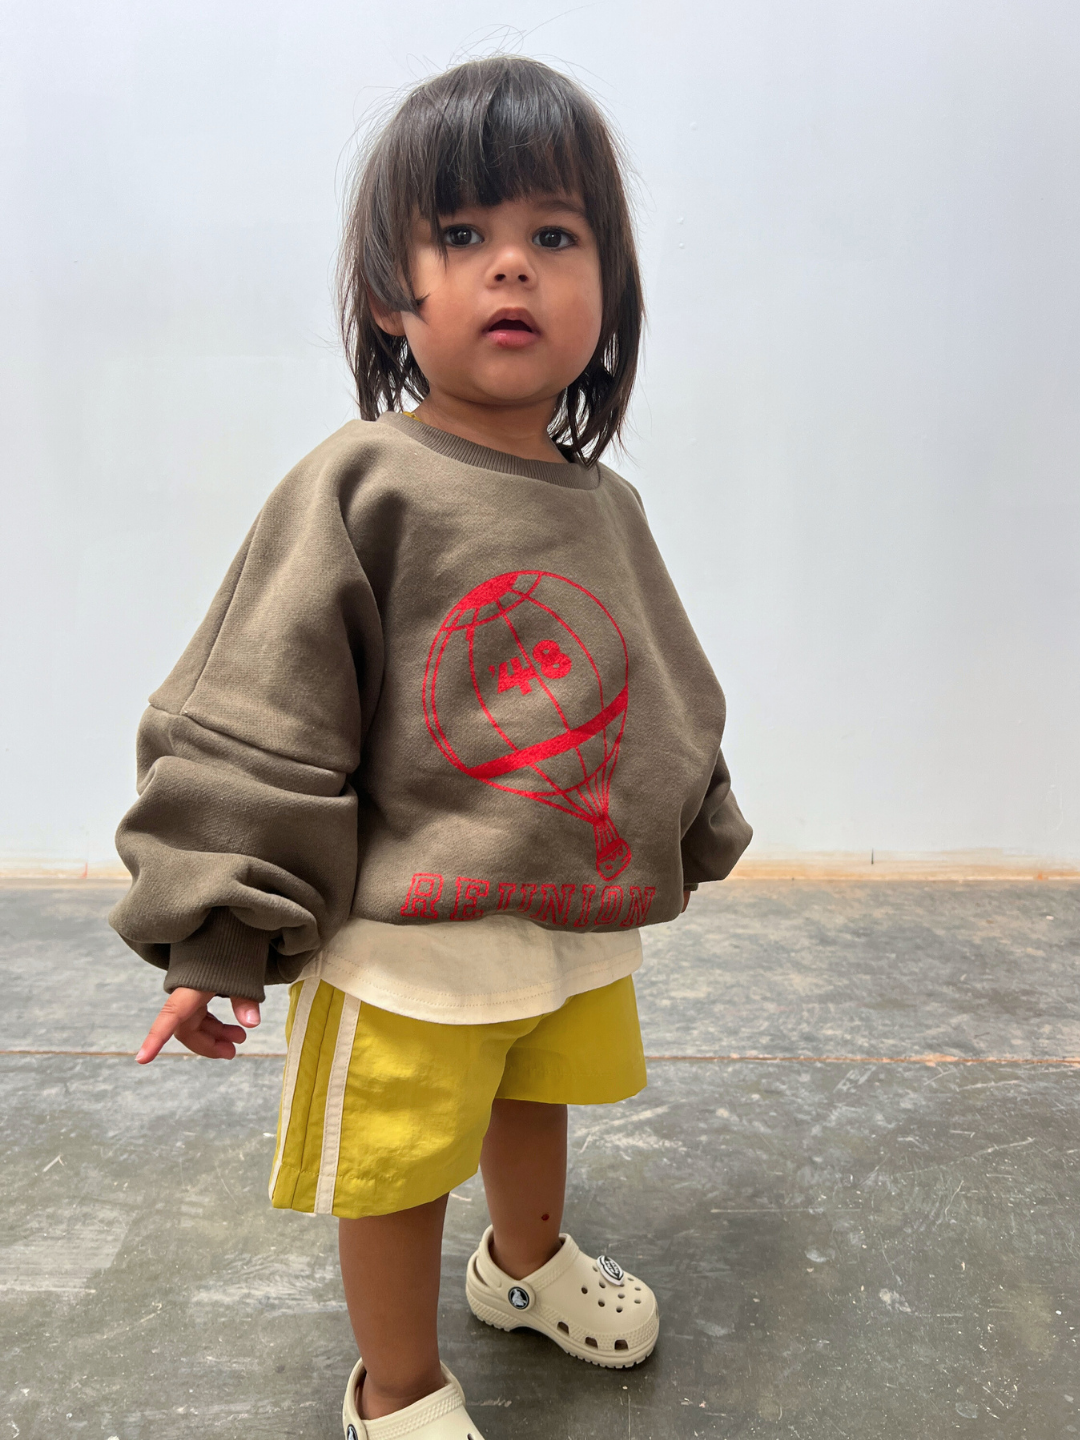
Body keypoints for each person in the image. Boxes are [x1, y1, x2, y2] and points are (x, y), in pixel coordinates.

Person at [110, 54, 751, 1440]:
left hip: (566, 907)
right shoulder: (361, 485)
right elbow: (261, 712)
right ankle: (395, 1386)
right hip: (408, 942)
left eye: (554, 235)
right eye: (463, 234)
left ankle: (524, 1266)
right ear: (393, 295)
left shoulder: (608, 508)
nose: (511, 266)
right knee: (395, 1168)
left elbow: (663, 681)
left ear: (610, 290)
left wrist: (692, 812)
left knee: (540, 1096)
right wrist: (218, 930)